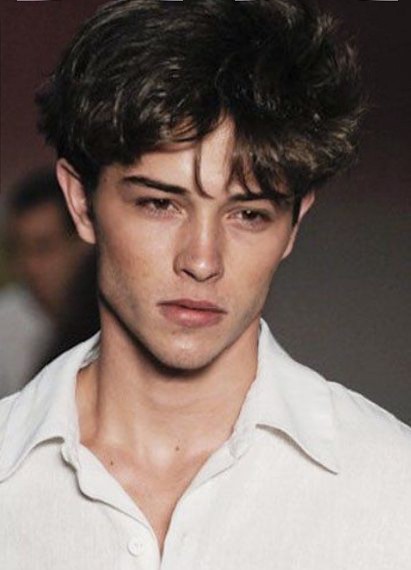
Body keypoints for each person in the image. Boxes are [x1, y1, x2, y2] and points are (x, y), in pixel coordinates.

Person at [1, 1, 410, 568]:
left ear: (294, 225)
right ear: (81, 202)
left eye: (249, 214)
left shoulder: (392, 486)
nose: (202, 260)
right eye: (159, 204)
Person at [0, 169, 95, 397]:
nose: (30, 266)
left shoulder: (114, 321)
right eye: (19, 250)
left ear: (83, 243)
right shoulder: (6, 325)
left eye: (43, 247)